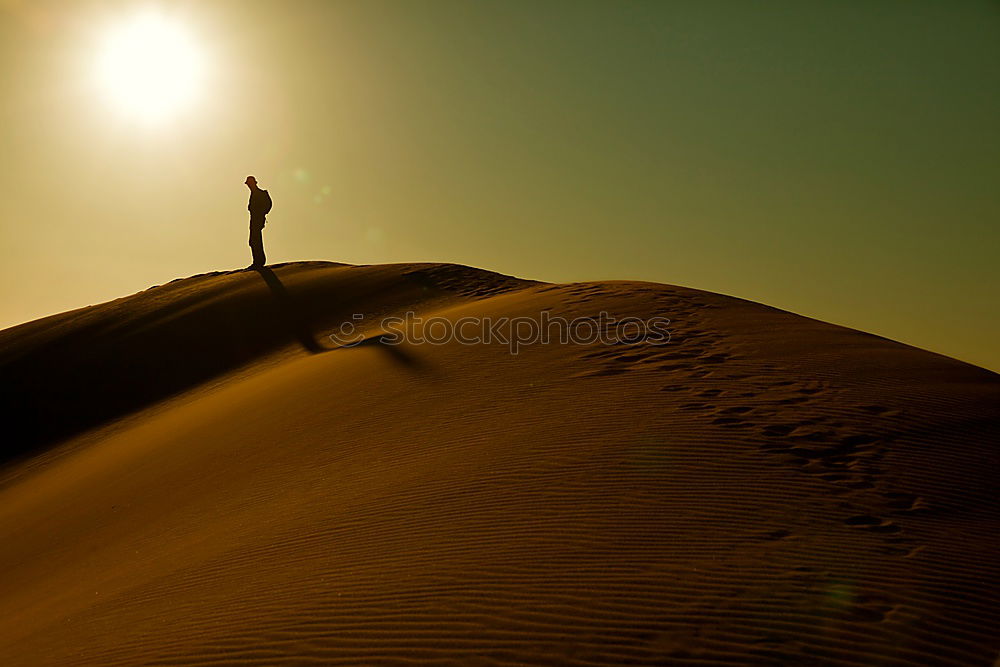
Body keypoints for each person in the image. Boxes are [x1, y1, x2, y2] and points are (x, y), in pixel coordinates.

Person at [245, 175, 272, 268]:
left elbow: (268, 204)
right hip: (254, 220)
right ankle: (257, 261)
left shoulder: (261, 193)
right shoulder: (254, 194)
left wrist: (261, 214)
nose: (248, 185)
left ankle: (259, 262)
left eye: (249, 183)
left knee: (255, 240)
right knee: (253, 241)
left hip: (257, 220)